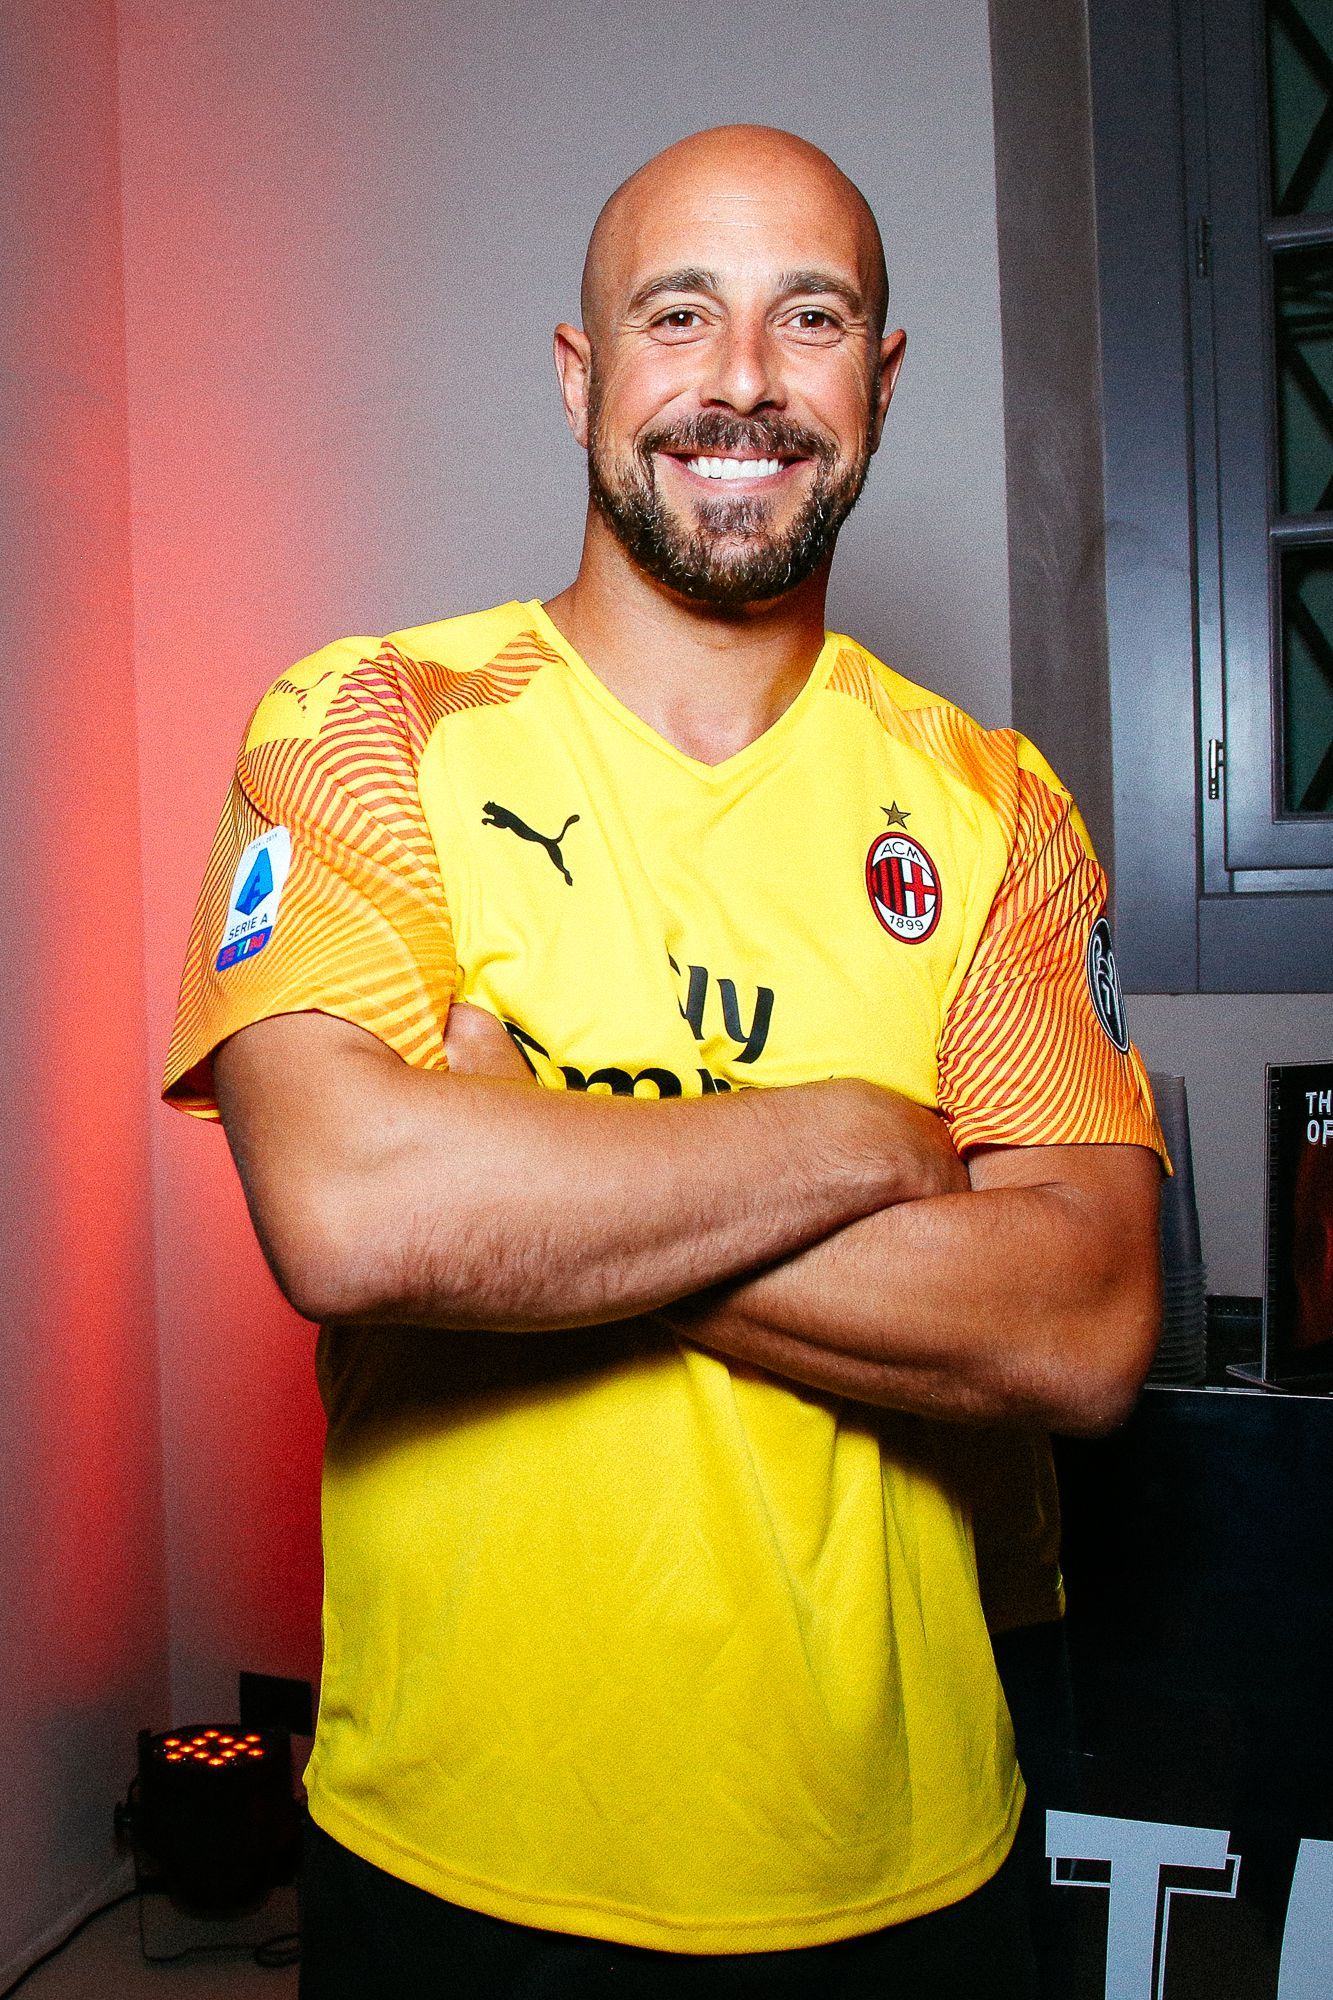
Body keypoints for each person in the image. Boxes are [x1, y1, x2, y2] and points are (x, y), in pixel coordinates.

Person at [163, 125, 1167, 1999]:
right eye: (678, 314)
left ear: (879, 382)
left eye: (812, 319)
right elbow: (355, 1210)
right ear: (581, 376)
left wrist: (534, 1171)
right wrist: (865, 1141)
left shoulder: (995, 807)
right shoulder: (367, 726)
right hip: (455, 1869)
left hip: (903, 1877)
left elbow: (1084, 1323)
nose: (744, 380)